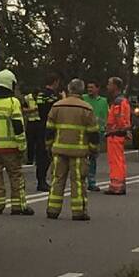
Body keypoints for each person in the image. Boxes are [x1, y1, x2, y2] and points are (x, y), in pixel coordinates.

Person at [45, 79, 99, 221]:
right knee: (78, 182)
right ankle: (78, 212)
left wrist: (49, 146)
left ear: (69, 89)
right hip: (79, 153)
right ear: (81, 91)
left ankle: (52, 210)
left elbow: (49, 130)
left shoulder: (57, 106)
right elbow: (93, 133)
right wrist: (93, 150)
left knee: (57, 179)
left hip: (59, 151)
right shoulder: (86, 108)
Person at [0, 70, 33, 215]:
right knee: (15, 176)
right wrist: (22, 145)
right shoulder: (13, 102)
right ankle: (18, 206)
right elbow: (18, 126)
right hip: (11, 148)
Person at [34, 73, 62, 192]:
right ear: (55, 82)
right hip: (49, 126)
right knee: (46, 155)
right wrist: (63, 97)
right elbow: (57, 108)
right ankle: (42, 181)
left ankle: (41, 180)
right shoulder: (52, 96)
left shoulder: (40, 94)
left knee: (40, 154)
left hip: (39, 125)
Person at [105, 76, 131, 195]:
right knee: (118, 160)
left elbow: (119, 119)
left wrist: (115, 129)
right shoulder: (121, 101)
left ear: (115, 86)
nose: (108, 86)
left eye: (110, 84)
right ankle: (119, 184)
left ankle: (116, 186)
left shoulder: (118, 102)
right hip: (117, 134)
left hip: (115, 135)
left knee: (115, 161)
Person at [83, 80, 109, 191]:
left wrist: (106, 129)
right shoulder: (83, 98)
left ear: (97, 89)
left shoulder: (103, 101)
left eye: (92, 87)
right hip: (84, 131)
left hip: (98, 132)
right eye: (88, 87)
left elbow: (107, 116)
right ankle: (82, 180)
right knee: (82, 156)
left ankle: (91, 181)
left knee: (93, 157)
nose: (89, 89)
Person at [20, 91, 40, 166]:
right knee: (30, 142)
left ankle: (38, 159)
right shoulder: (27, 98)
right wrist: (32, 110)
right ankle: (30, 159)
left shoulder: (42, 97)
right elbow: (23, 109)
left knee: (39, 142)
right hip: (31, 122)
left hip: (39, 122)